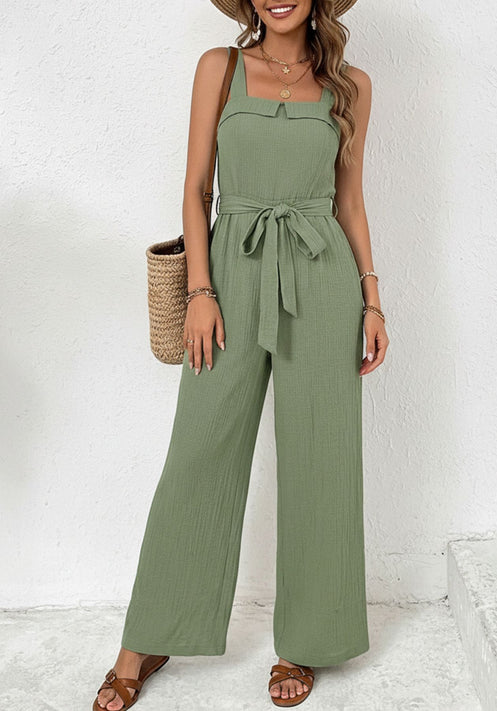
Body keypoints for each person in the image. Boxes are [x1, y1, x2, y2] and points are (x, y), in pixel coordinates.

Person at [93, 0, 389, 708]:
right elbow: (197, 190)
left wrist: (372, 300)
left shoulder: (351, 84)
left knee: (321, 455)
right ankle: (149, 636)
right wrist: (201, 289)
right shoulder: (218, 68)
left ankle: (305, 642)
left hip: (322, 274)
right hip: (230, 268)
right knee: (199, 449)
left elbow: (349, 202)